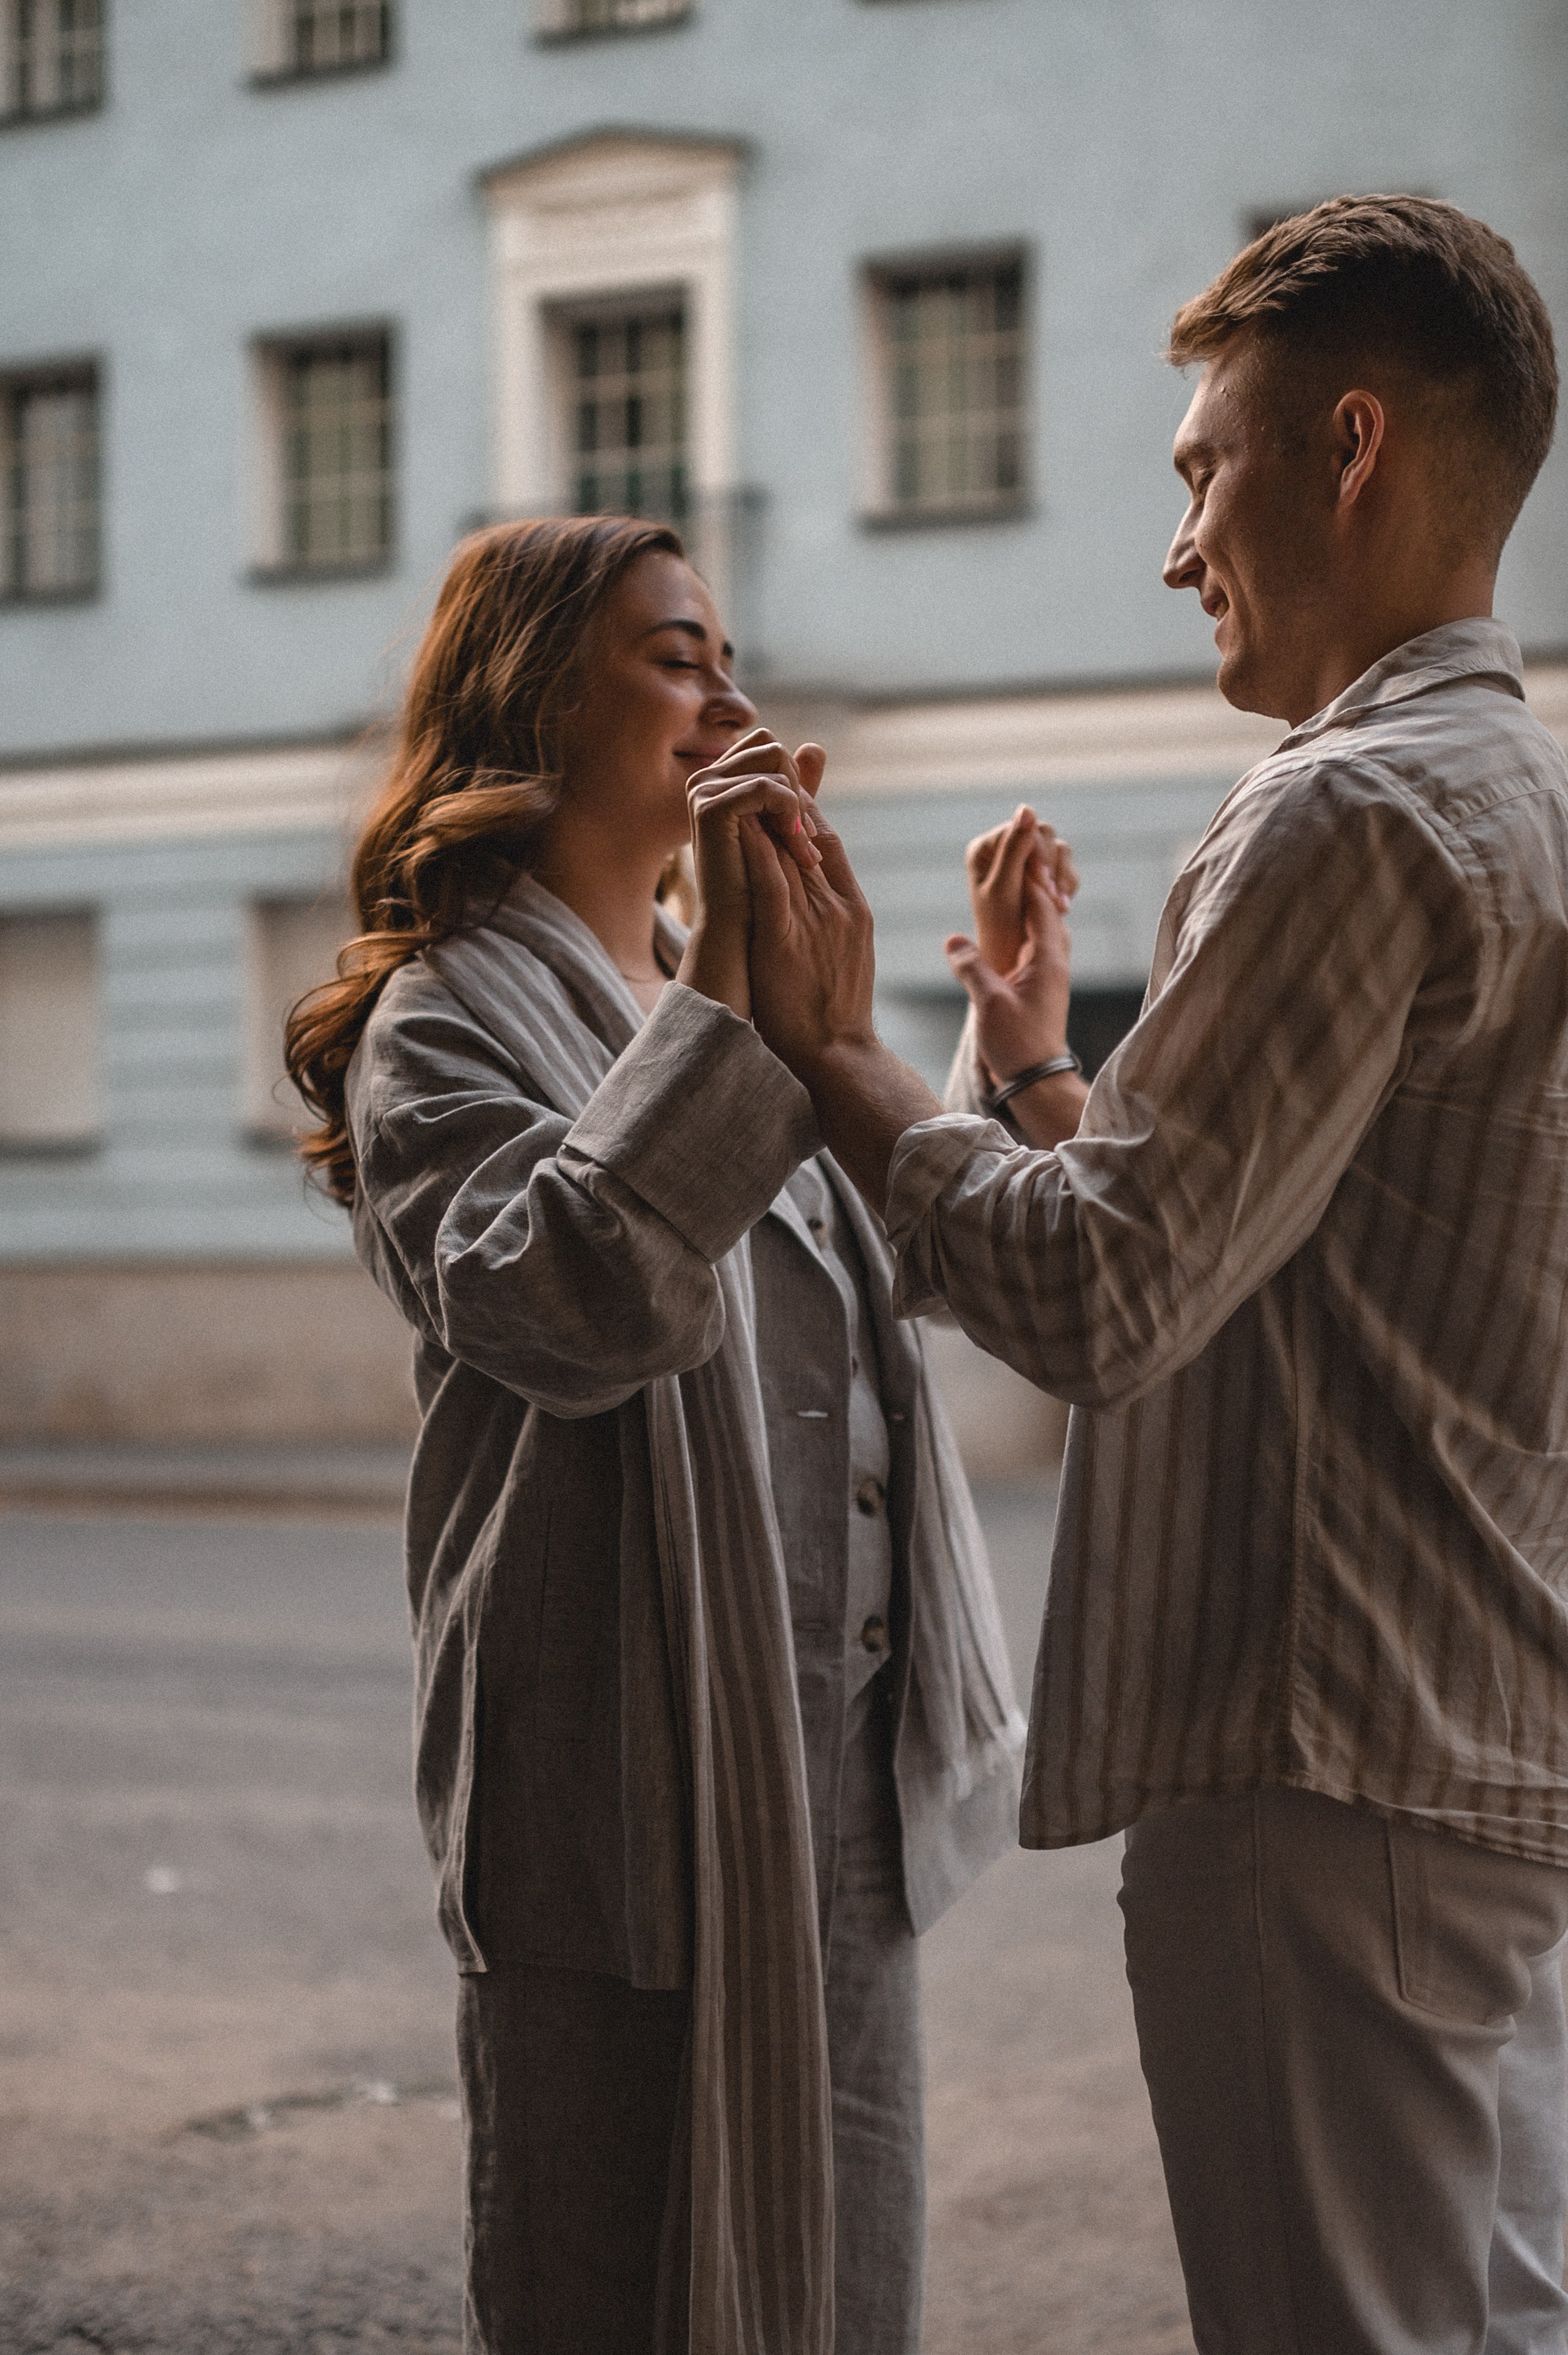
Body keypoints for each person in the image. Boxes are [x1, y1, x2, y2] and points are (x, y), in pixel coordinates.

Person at [730, 197, 1568, 2354]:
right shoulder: (1517, 798)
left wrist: (829, 1046)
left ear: (1347, 448)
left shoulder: (1343, 811)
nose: (1176, 540)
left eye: (1200, 465)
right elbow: (1272, 1257)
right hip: (1462, 1749)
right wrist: (1026, 1074)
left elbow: (1110, 1305)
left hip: (1321, 1766)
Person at [282, 513, 1050, 2355]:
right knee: (619, 2289)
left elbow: (890, 1280)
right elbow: (570, 1301)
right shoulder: (441, 1018)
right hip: (622, 1782)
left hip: (828, 1777)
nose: (732, 692)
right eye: (679, 654)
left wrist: (994, 1051)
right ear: (532, 689)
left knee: (836, 2286)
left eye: (725, 654)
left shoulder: (719, 1004)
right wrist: (736, 1002)